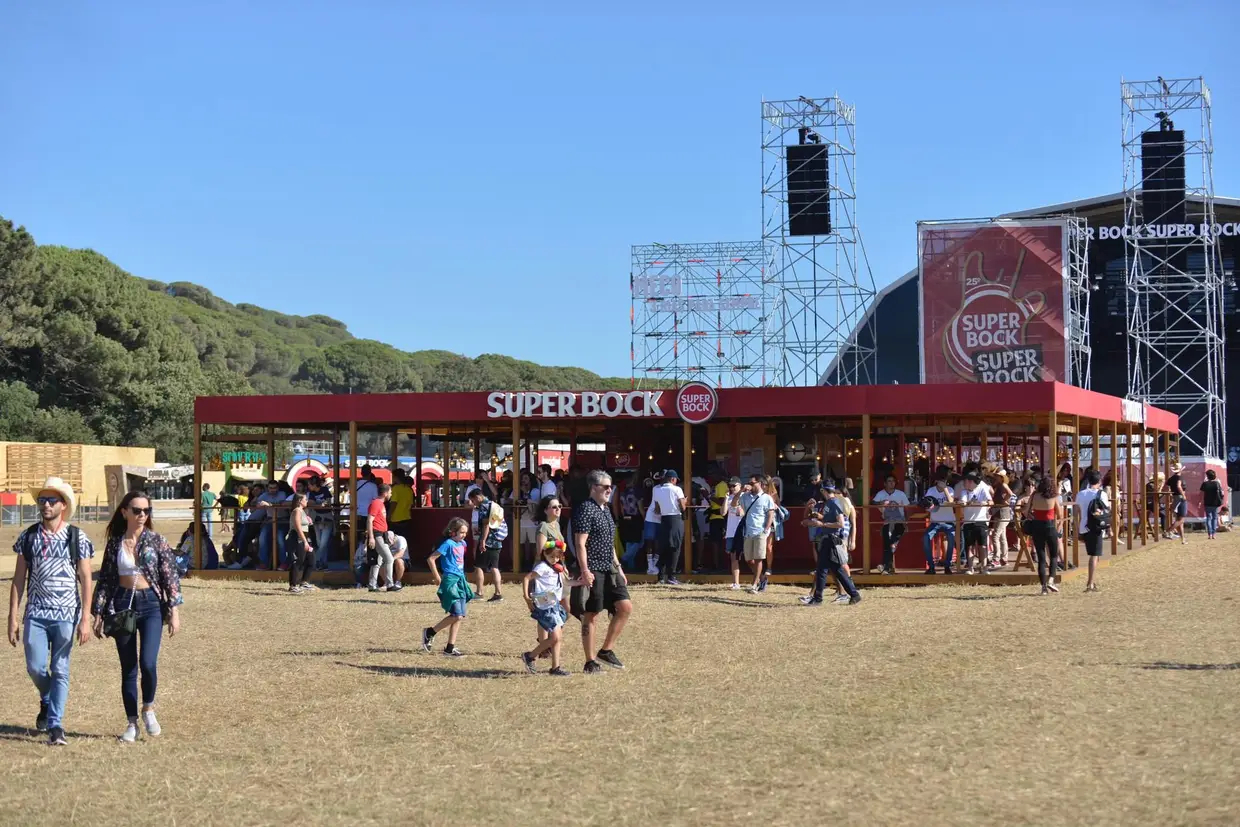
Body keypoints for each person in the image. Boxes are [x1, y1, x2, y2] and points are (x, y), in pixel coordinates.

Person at [7, 478, 95, 747]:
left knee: (60, 669)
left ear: (63, 505)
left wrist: (85, 618)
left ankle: (56, 725)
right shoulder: (29, 536)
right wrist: (12, 617)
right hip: (36, 613)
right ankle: (47, 697)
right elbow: (18, 579)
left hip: (66, 614)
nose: (45, 505)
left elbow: (86, 579)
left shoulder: (77, 537)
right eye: (42, 500)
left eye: (51, 500)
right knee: (35, 667)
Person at [92, 491, 183, 743]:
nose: (142, 515)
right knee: (129, 667)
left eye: (146, 510)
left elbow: (170, 576)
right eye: (137, 510)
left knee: (148, 663)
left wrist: (174, 611)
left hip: (151, 603)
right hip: (123, 603)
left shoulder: (156, 540)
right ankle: (132, 723)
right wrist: (98, 612)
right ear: (125, 512)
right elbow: (106, 579)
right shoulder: (115, 543)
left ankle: (148, 709)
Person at [571, 470, 633, 674]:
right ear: (593, 488)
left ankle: (606, 650)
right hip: (593, 568)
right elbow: (580, 544)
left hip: (610, 567)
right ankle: (590, 661)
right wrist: (585, 570)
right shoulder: (585, 509)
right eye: (605, 486)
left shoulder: (606, 509)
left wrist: (619, 567)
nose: (609, 490)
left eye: (610, 487)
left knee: (625, 607)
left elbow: (609, 543)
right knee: (591, 614)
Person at [520, 536, 574, 676]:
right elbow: (526, 578)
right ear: (544, 554)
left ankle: (555, 667)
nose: (554, 559)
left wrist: (582, 581)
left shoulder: (557, 569)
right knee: (555, 637)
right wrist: (527, 598)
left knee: (558, 638)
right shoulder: (542, 567)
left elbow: (567, 583)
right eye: (551, 557)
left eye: (557, 557)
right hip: (545, 606)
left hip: (554, 605)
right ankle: (530, 656)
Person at [800, 482, 859, 606]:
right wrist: (818, 518)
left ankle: (818, 598)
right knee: (833, 569)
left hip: (831, 539)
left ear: (824, 491)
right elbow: (830, 519)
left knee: (824, 569)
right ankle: (854, 594)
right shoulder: (830, 503)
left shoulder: (834, 503)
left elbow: (840, 523)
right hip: (827, 538)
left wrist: (822, 524)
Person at [422, 518, 473, 657]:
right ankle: (430, 632)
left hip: (460, 580)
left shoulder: (463, 544)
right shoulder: (447, 544)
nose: (464, 535)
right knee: (456, 614)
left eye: (465, 533)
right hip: (450, 580)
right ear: (453, 531)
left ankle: (450, 648)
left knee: (459, 617)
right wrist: (437, 576)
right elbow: (431, 559)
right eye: (461, 532)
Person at [1027, 476, 1064, 595]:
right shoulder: (1053, 497)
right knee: (1053, 555)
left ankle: (1043, 588)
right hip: (1049, 526)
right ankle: (1051, 580)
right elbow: (1060, 515)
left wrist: (1032, 516)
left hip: (1037, 526)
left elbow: (1026, 511)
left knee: (1041, 557)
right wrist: (1059, 527)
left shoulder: (1034, 495)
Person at [469, 488, 507, 601]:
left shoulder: (484, 507)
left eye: (473, 500)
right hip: (497, 540)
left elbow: (486, 525)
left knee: (478, 566)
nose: (473, 503)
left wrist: (482, 541)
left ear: (477, 497)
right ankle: (498, 593)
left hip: (488, 540)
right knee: (494, 567)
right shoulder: (493, 504)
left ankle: (479, 592)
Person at [739, 475, 776, 593]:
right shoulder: (745, 496)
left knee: (758, 558)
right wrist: (740, 491)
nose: (749, 485)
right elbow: (734, 504)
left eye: (752, 483)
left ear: (759, 483)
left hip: (760, 531)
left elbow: (771, 513)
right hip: (748, 532)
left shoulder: (767, 498)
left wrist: (766, 529)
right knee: (749, 559)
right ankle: (762, 578)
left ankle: (754, 584)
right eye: (749, 482)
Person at [652, 469, 687, 585]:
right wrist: (685, 501)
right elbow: (683, 507)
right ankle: (672, 576)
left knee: (663, 547)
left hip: (664, 519)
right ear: (672, 479)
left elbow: (657, 510)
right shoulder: (677, 489)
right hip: (675, 519)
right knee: (675, 548)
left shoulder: (657, 490)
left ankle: (661, 576)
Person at [1075, 469, 1108, 592]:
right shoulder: (1102, 494)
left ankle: (1092, 581)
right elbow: (1105, 511)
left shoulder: (1080, 494)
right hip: (1096, 527)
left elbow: (1076, 513)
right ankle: (1090, 583)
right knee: (1094, 555)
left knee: (1094, 554)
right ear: (1099, 481)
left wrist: (1077, 529)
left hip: (1084, 527)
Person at [366, 484, 401, 593]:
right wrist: (371, 537)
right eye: (390, 492)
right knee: (389, 559)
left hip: (381, 534)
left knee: (378, 561)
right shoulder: (376, 503)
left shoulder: (380, 503)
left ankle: (372, 585)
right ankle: (389, 584)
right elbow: (369, 520)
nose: (391, 494)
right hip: (377, 534)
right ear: (385, 493)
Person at [872, 474, 908, 575]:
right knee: (887, 545)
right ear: (885, 483)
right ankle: (887, 567)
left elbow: (907, 508)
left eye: (893, 481)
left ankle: (885, 567)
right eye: (889, 481)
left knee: (892, 543)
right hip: (887, 522)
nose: (891, 483)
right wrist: (881, 503)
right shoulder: (880, 494)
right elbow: (873, 503)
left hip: (899, 522)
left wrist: (907, 521)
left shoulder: (901, 494)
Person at [921, 476, 956, 574]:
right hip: (935, 522)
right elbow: (926, 505)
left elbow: (951, 502)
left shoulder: (950, 490)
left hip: (949, 522)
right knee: (926, 537)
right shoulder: (931, 491)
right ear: (937, 481)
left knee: (951, 538)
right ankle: (931, 566)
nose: (943, 482)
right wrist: (930, 506)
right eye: (942, 480)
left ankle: (947, 565)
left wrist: (945, 489)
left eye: (945, 480)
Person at [960, 472, 993, 574]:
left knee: (982, 545)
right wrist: (967, 503)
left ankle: (984, 567)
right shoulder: (964, 491)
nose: (964, 483)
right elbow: (963, 502)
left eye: (966, 481)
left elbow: (991, 501)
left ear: (970, 482)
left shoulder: (982, 489)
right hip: (968, 522)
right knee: (970, 545)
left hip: (981, 520)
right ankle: (970, 568)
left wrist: (985, 503)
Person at [286, 493, 316, 593]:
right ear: (299, 501)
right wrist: (304, 541)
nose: (307, 501)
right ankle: (293, 585)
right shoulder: (297, 511)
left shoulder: (303, 511)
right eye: (305, 499)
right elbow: (298, 527)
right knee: (298, 561)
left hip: (305, 537)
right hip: (297, 537)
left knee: (311, 560)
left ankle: (304, 582)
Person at [307, 475, 335, 571]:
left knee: (323, 543)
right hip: (317, 518)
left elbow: (328, 503)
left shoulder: (325, 490)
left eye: (310, 485)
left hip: (327, 518)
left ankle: (316, 561)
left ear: (315, 484)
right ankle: (324, 563)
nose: (308, 487)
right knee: (319, 542)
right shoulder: (311, 493)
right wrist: (320, 505)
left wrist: (317, 504)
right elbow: (310, 503)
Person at [989, 469, 1015, 570]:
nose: (995, 477)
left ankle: (996, 558)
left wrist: (1004, 500)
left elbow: (1011, 494)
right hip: (999, 513)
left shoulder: (1003, 485)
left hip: (1003, 513)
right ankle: (1004, 558)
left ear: (1001, 477)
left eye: (997, 475)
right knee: (1002, 537)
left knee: (995, 536)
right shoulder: (999, 485)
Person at [722, 477, 744, 589]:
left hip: (743, 531)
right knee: (733, 557)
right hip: (731, 532)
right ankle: (736, 582)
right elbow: (723, 512)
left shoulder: (745, 497)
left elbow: (742, 513)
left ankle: (758, 580)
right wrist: (726, 499)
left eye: (734, 486)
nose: (732, 488)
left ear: (740, 485)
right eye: (730, 486)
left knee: (750, 558)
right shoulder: (729, 498)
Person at [1201, 469, 1225, 540]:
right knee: (1214, 518)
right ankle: (1214, 534)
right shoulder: (1217, 483)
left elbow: (1201, 493)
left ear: (1207, 476)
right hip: (1215, 503)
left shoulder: (1205, 483)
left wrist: (1200, 501)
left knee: (1208, 518)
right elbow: (1221, 492)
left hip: (1207, 502)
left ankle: (1210, 534)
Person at [1167, 463, 1187, 542]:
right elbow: (1179, 486)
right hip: (1180, 497)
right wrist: (1183, 495)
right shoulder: (1179, 477)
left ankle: (1183, 539)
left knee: (1178, 519)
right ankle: (1168, 531)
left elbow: (1166, 487)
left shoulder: (1171, 478)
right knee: (1181, 519)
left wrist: (1171, 493)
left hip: (1175, 497)